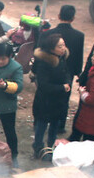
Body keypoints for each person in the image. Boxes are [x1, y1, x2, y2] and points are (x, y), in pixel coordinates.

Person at [30, 31, 71, 160]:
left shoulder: (62, 58)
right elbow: (43, 85)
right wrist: (61, 88)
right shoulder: (45, 63)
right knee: (41, 125)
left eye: (63, 45)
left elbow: (67, 74)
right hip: (45, 101)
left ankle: (51, 148)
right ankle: (38, 148)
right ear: (51, 48)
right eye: (60, 46)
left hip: (58, 102)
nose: (63, 48)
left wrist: (68, 83)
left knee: (54, 125)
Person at [53, 4, 85, 102]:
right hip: (68, 74)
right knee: (63, 102)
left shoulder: (48, 34)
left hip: (49, 72)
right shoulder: (79, 36)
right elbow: (78, 57)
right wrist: (78, 73)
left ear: (59, 16)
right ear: (73, 18)